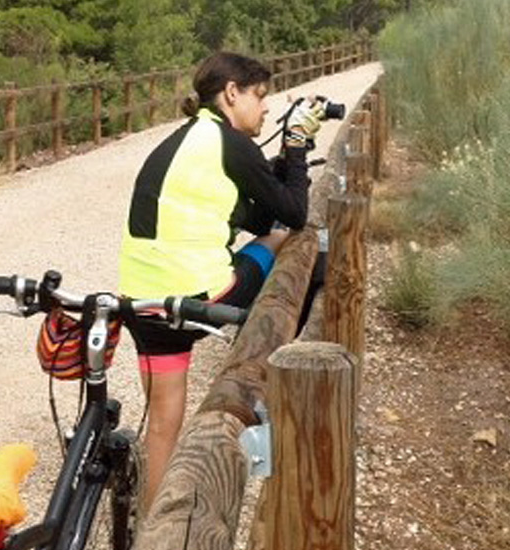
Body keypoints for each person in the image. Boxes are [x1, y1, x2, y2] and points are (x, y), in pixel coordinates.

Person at [117, 51, 324, 512]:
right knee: (278, 238)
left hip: (142, 301)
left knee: (163, 425)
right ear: (232, 93)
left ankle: (152, 528)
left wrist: (279, 168)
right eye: (260, 96)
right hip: (196, 300)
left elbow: (249, 207)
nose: (266, 107)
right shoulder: (230, 143)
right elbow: (290, 213)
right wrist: (295, 147)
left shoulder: (191, 138)